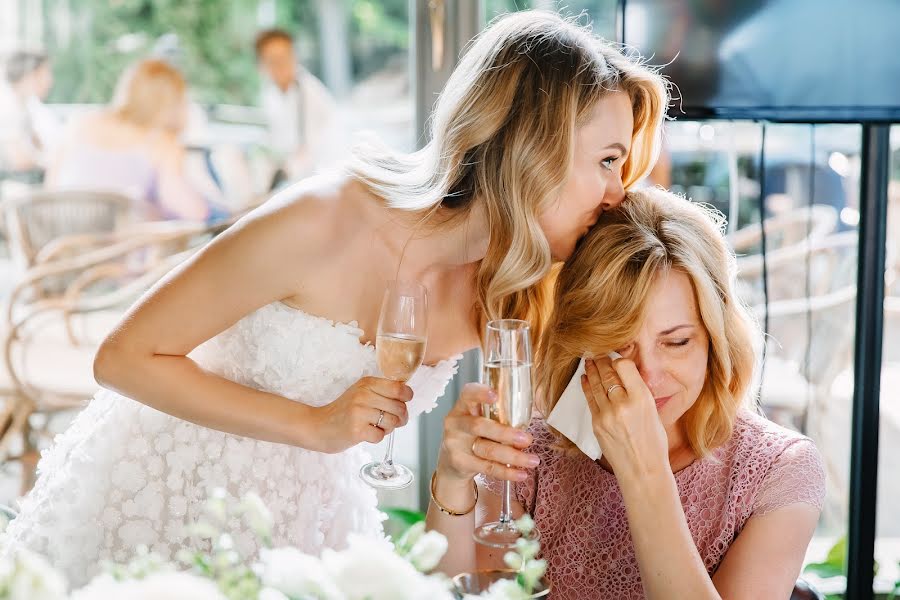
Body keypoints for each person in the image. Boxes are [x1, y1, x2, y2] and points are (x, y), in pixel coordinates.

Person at [0, 11, 667, 586]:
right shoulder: (324, 219)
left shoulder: (503, 293)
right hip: (161, 496)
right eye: (607, 160)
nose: (617, 193)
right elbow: (121, 358)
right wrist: (313, 424)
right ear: (533, 148)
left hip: (309, 524)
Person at [429, 187, 826, 599]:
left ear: (715, 339)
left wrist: (644, 472)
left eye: (676, 343)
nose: (648, 377)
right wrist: (454, 480)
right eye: (618, 345)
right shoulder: (532, 450)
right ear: (582, 342)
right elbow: (468, 590)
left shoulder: (780, 471)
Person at [45, 59, 210, 221]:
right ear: (172, 102)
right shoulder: (161, 143)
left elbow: (51, 187)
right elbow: (191, 211)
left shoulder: (79, 123)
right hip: (121, 245)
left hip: (61, 240)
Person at [255, 28, 340, 181]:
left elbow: (308, 152)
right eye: (273, 59)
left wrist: (281, 175)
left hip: (322, 176)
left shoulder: (309, 93)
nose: (281, 65)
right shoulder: (271, 94)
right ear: (261, 64)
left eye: (285, 57)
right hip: (295, 174)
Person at [0, 51, 61, 176]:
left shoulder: (27, 106)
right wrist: (52, 163)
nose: (50, 81)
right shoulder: (6, 107)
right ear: (29, 76)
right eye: (45, 74)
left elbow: (39, 144)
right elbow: (20, 161)